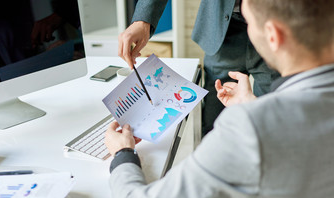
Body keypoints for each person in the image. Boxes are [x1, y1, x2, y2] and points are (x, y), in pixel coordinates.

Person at [105, 0, 334, 198]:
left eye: (251, 23)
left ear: (272, 36)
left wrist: (123, 154)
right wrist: (253, 106)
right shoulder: (263, 121)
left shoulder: (247, 128)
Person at [118, 0, 280, 135]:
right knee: (211, 123)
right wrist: (143, 20)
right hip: (223, 29)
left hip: (276, 29)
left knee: (271, 123)